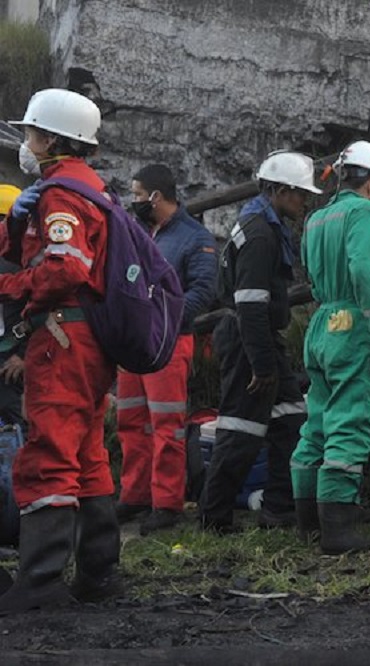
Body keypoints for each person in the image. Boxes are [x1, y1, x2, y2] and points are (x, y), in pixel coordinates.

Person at [0, 89, 124, 612]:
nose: (25, 143)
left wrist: (10, 286)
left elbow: (65, 268)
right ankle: (98, 574)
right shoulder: (91, 188)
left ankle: (43, 582)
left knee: (48, 453)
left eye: (30, 133)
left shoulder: (60, 194)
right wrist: (13, 226)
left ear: (51, 139)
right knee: (87, 454)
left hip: (59, 339)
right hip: (86, 340)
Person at [199, 151, 317, 534]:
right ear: (280, 191)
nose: (304, 202)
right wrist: (262, 365)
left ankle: (279, 508)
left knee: (292, 420)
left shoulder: (259, 224)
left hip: (258, 337)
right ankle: (213, 517)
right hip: (250, 339)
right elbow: (250, 304)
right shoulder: (261, 234)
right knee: (241, 429)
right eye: (299, 194)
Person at [291, 141, 370, 554]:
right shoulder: (364, 212)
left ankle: (308, 525)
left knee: (316, 424)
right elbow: (367, 271)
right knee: (350, 422)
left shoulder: (316, 219)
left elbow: (313, 277)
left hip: (320, 325)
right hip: (354, 327)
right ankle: (338, 531)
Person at [115, 164, 217, 534]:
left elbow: (203, 290)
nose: (135, 201)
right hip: (134, 343)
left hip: (168, 344)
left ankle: (167, 502)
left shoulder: (195, 238)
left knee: (167, 425)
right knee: (131, 421)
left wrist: (166, 322)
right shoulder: (140, 232)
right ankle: (135, 494)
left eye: (138, 195)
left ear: (156, 196)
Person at [0, 186, 26, 426]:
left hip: (10, 356)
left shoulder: (20, 261)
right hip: (10, 352)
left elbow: (41, 310)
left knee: (13, 416)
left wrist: (22, 355)